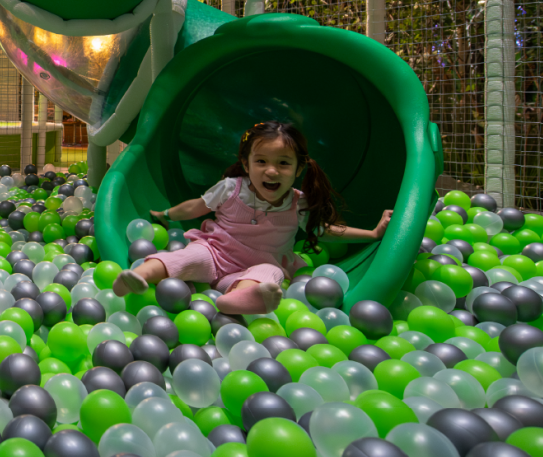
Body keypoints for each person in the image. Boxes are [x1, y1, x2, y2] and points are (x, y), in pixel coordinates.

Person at [113, 120, 392, 314]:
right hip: (214, 253)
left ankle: (238, 299)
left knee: (269, 275)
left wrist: (373, 234)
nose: (271, 171)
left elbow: (322, 230)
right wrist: (165, 214)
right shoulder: (230, 189)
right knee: (185, 258)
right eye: (261, 161)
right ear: (246, 165)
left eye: (283, 163)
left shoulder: (298, 203)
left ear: (299, 169)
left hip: (257, 265)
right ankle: (138, 276)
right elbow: (196, 207)